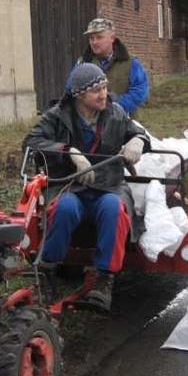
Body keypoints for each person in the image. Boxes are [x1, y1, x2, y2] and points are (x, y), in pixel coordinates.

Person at [24, 63, 149, 311]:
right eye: (97, 91)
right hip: (69, 186)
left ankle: (104, 279)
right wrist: (67, 151)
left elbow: (137, 133)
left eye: (105, 87)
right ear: (79, 95)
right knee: (65, 209)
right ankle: (48, 271)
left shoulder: (115, 113)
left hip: (109, 186)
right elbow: (31, 142)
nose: (104, 94)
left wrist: (138, 140)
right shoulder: (56, 116)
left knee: (114, 209)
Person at [74, 17, 149, 118]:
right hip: (90, 126)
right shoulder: (83, 64)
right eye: (91, 38)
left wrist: (114, 107)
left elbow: (140, 91)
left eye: (99, 37)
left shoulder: (131, 63)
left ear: (112, 38)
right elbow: (72, 91)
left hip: (123, 124)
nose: (94, 42)